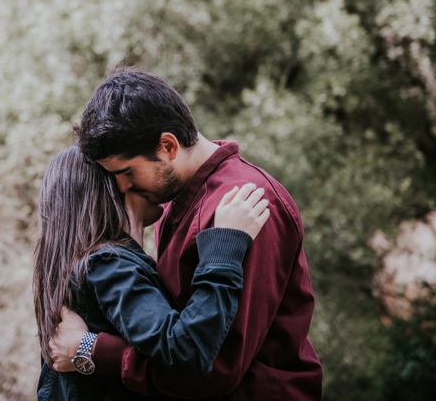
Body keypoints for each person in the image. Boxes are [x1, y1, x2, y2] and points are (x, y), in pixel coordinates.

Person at [49, 68, 323, 400]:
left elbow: (212, 371)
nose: (121, 187)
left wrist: (93, 350)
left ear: (167, 146)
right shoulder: (175, 206)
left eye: (126, 171)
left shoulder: (243, 206)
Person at [33, 145, 271, 400]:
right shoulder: (108, 264)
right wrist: (224, 246)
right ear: (120, 183)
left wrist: (88, 348)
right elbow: (185, 349)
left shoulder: (92, 264)